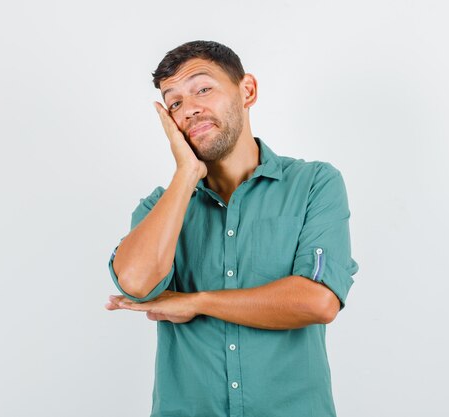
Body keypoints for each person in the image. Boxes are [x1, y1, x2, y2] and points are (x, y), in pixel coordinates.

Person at [105, 40, 359, 417]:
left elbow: (318, 301)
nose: (189, 109)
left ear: (247, 91)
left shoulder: (314, 183)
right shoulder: (160, 208)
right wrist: (186, 174)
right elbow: (136, 283)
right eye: (174, 103)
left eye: (202, 89)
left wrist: (196, 301)